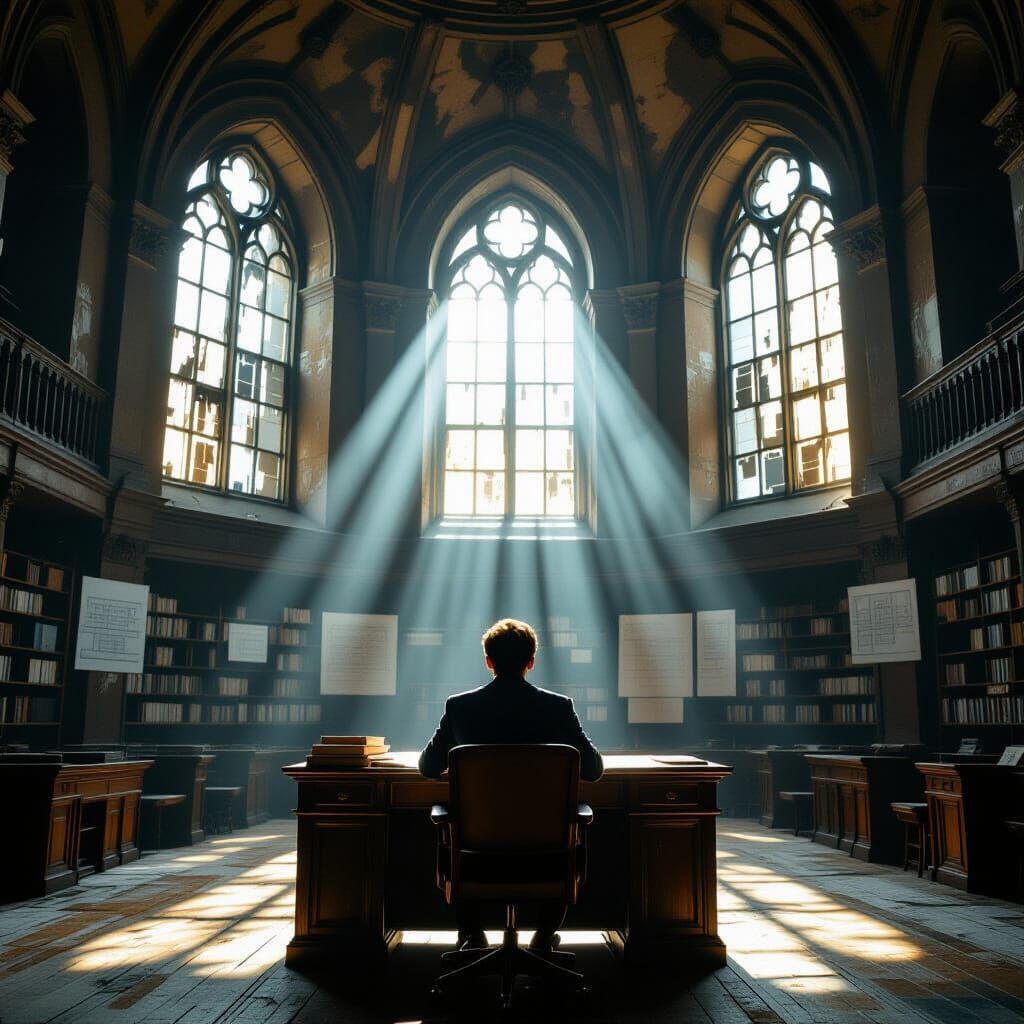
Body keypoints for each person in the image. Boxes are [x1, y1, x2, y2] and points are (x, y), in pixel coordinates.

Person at [418, 617, 604, 954]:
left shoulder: (459, 707)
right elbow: (593, 769)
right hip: (547, 855)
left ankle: (474, 936)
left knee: (450, 832)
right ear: (531, 661)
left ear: (488, 661)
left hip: (475, 856)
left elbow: (428, 767)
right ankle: (544, 939)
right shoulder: (558, 708)